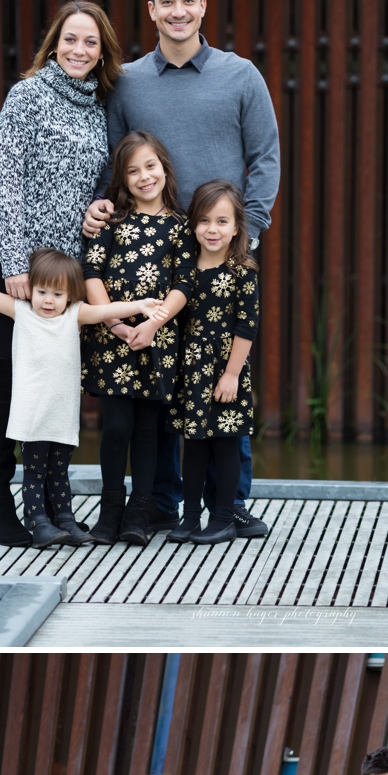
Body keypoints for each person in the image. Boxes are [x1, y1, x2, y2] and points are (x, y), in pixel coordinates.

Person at [85, 0, 281, 532]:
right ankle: (165, 503)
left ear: (202, 7)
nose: (178, 11)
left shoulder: (241, 75)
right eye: (166, 2)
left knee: (223, 373)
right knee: (163, 381)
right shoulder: (127, 82)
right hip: (152, 259)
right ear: (151, 10)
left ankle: (230, 502)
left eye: (187, 0)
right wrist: (102, 205)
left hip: (220, 254)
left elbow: (265, 157)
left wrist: (252, 233)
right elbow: (115, 160)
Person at [0, 0, 122, 547]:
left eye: (91, 42)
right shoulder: (26, 95)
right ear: (54, 43)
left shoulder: (98, 107)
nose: (80, 50)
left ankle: (55, 507)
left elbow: (86, 186)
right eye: (70, 39)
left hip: (61, 274)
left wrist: (95, 209)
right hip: (10, 264)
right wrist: (13, 267)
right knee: (6, 387)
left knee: (54, 387)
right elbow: (6, 184)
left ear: (103, 53)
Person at [0, 254, 157, 548]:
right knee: (34, 472)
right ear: (31, 290)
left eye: (57, 294)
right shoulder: (22, 311)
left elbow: (107, 309)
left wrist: (140, 306)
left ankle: (66, 520)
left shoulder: (74, 314)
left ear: (70, 296)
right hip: (31, 412)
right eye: (42, 292)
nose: (48, 300)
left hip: (62, 412)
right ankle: (39, 522)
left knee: (59, 472)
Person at [81, 132, 192, 544]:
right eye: (133, 171)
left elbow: (183, 286)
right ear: (122, 179)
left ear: (164, 167)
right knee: (117, 427)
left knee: (150, 430)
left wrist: (153, 324)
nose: (144, 177)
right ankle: (110, 509)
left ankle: (140, 512)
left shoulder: (180, 227)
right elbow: (91, 273)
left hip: (155, 341)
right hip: (113, 339)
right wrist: (115, 324)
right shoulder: (112, 221)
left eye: (150, 166)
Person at [168, 180, 262, 545]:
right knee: (194, 444)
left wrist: (231, 374)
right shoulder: (184, 270)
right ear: (193, 224)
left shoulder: (242, 271)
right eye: (204, 220)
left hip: (225, 371)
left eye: (222, 221)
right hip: (191, 372)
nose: (212, 229)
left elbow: (247, 326)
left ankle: (223, 518)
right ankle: (190, 516)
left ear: (237, 226)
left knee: (224, 443)